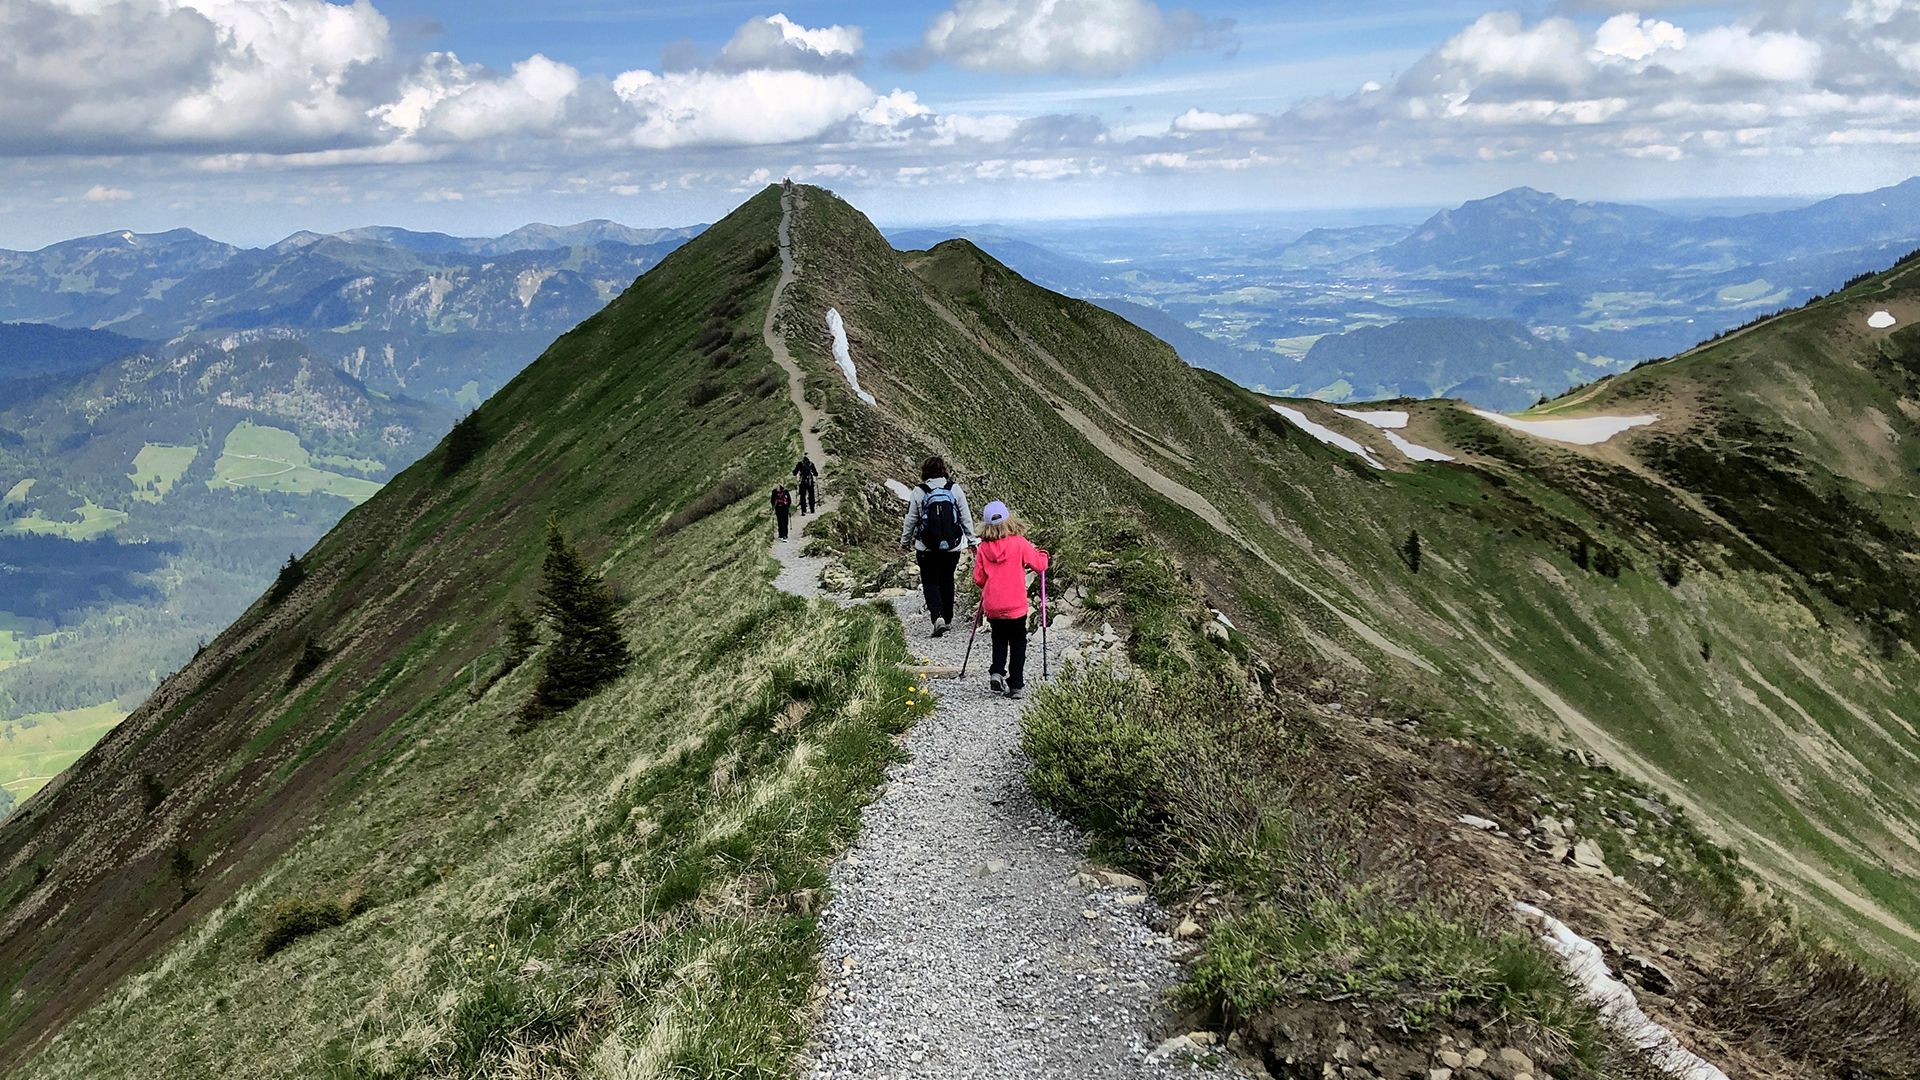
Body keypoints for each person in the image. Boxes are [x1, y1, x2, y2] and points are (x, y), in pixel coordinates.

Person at [972, 501, 1048, 699]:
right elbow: (1039, 565)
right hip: (1015, 605)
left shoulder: (983, 548)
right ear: (1009, 520)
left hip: (993, 606)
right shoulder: (1019, 542)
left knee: (999, 639)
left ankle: (997, 671)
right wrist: (1044, 555)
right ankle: (1015, 684)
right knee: (1018, 642)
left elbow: (979, 579)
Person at [898, 455, 974, 636]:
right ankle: (947, 619)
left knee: (930, 581)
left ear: (925, 472)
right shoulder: (953, 488)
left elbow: (911, 519)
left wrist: (905, 541)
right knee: (947, 579)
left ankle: (937, 616)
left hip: (926, 547)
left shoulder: (919, 491)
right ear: (944, 470)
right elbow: (965, 516)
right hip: (952, 547)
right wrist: (971, 540)